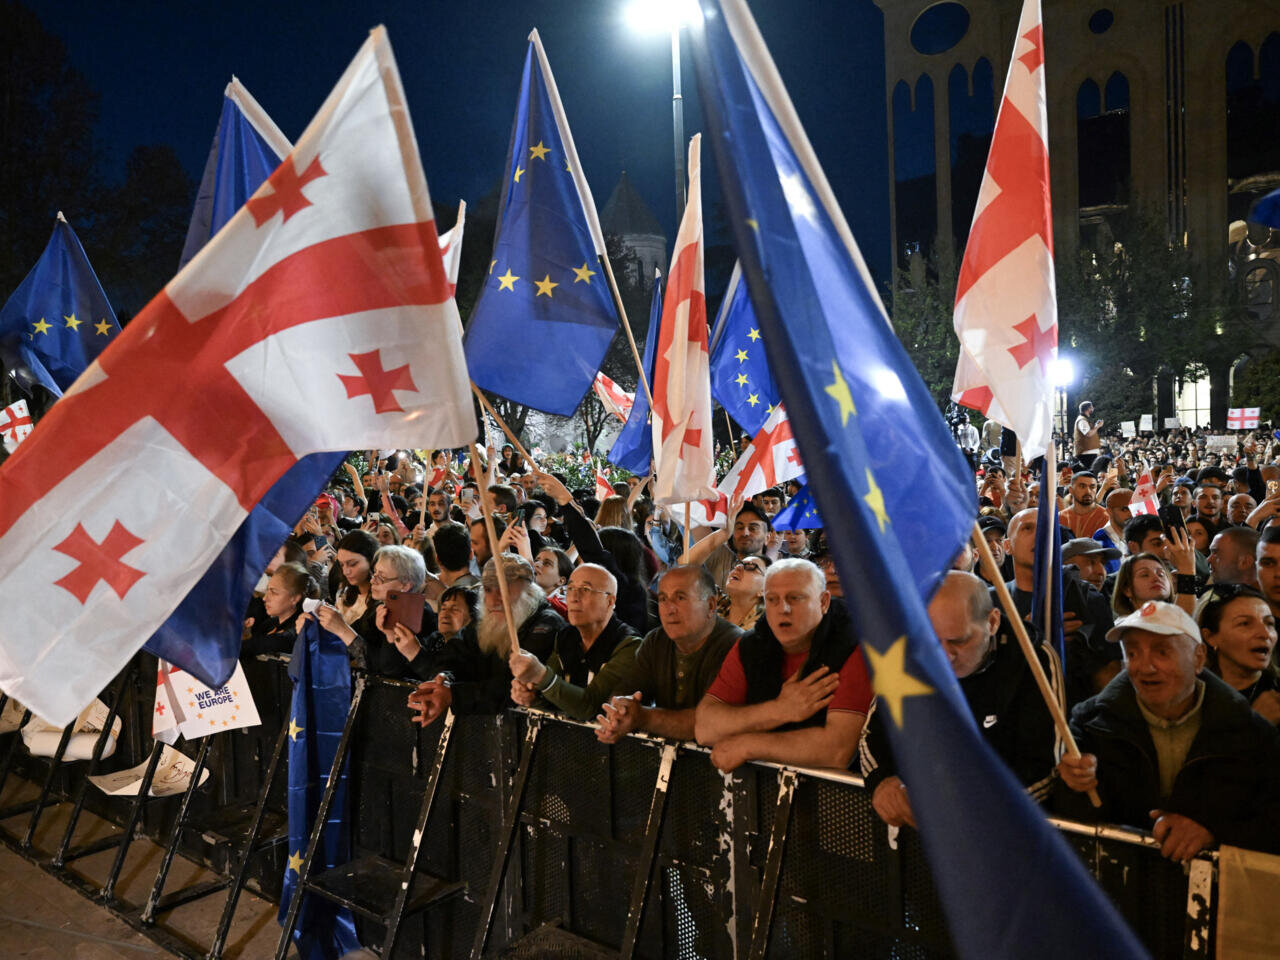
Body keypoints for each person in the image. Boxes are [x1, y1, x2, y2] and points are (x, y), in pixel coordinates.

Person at [1056, 600, 1280, 858]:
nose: (1145, 667)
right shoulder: (1090, 724)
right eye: (1132, 653)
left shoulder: (1250, 732)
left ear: (1198, 658)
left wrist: (1214, 832)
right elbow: (1070, 822)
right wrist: (1075, 784)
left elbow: (1271, 819)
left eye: (1162, 652)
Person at [863, 572, 1057, 828]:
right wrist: (882, 781)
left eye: (960, 641)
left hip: (1007, 827)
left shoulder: (1033, 660)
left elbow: (1046, 766)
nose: (945, 656)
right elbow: (874, 734)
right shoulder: (908, 651)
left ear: (993, 622)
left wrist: (975, 810)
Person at [694, 558, 872, 772]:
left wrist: (748, 745)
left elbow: (837, 750)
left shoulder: (855, 643)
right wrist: (779, 710)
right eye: (772, 599)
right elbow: (705, 729)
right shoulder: (752, 644)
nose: (783, 609)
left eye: (795, 598)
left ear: (824, 602)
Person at [407, 554, 565, 725]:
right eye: (488, 590)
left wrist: (455, 694)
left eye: (504, 589)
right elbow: (453, 655)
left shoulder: (547, 624)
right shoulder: (484, 621)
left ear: (528, 591)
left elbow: (513, 685)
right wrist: (444, 679)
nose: (494, 599)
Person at [596, 566, 743, 744]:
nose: (669, 609)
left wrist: (644, 718)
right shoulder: (656, 640)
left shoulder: (736, 645)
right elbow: (627, 691)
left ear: (711, 605)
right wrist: (619, 715)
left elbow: (711, 722)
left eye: (680, 598)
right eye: (663, 599)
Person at [509, 564, 641, 721]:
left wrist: (539, 674)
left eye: (585, 589)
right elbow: (553, 698)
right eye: (570, 589)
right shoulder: (566, 637)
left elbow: (591, 708)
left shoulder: (629, 645)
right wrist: (531, 696)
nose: (573, 597)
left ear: (610, 601)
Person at [1199, 584, 1280, 725]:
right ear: (1210, 637)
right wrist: (1256, 722)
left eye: (1269, 623)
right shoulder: (1190, 696)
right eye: (1245, 624)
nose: (1264, 634)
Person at [684, 501, 771, 588]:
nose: (745, 533)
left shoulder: (773, 574)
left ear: (767, 537)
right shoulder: (721, 557)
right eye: (739, 528)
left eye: (753, 528)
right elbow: (683, 565)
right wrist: (724, 533)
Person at [244, 561, 320, 656]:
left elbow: (242, 650)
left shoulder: (292, 634)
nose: (265, 598)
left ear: (295, 598)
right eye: (267, 590)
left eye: (274, 592)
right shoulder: (271, 623)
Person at [718, 556, 768, 630]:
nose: (738, 567)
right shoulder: (715, 602)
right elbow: (694, 566)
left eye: (750, 567)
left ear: (764, 589)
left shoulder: (766, 627)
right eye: (738, 564)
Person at [1091, 489, 1133, 574]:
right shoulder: (1099, 540)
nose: (1131, 514)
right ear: (1109, 511)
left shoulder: (1135, 536)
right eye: (1124, 509)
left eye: (1133, 508)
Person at [1061, 472, 1107, 540]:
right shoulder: (1060, 517)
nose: (1088, 491)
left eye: (1092, 487)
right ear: (1071, 490)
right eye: (1082, 486)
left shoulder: (1107, 517)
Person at [1072, 401, 1103, 469]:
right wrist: (1097, 427)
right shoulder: (1082, 420)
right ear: (1088, 408)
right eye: (1092, 407)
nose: (1093, 409)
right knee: (1090, 473)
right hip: (1086, 453)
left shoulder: (1084, 419)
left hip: (1089, 452)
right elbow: (1088, 434)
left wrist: (1095, 426)